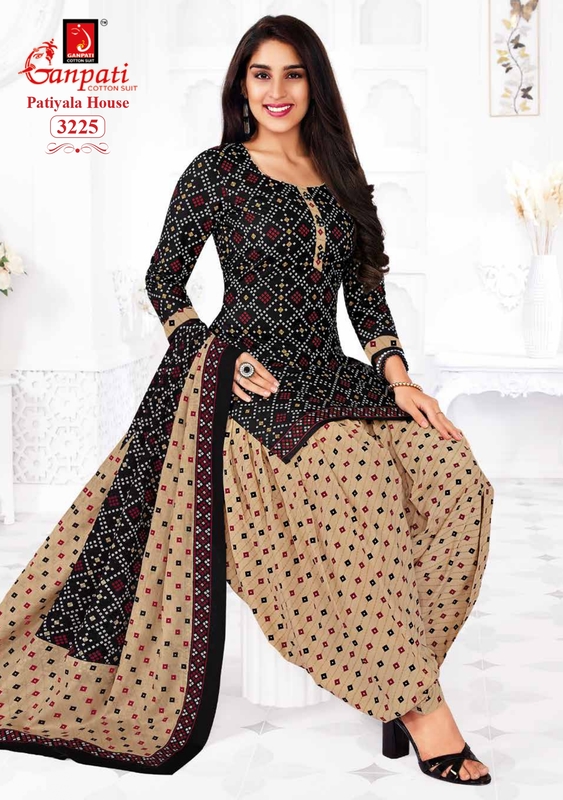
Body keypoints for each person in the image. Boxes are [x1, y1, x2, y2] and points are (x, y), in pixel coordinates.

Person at [0, 15, 494, 783]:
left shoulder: (340, 173)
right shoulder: (217, 171)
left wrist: (400, 378)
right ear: (241, 84)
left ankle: (397, 672)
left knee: (458, 482)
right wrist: (213, 358)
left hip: (333, 374)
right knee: (362, 478)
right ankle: (423, 711)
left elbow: (364, 292)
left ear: (314, 83)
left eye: (292, 73)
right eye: (261, 74)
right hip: (245, 384)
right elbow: (164, 280)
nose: (276, 90)